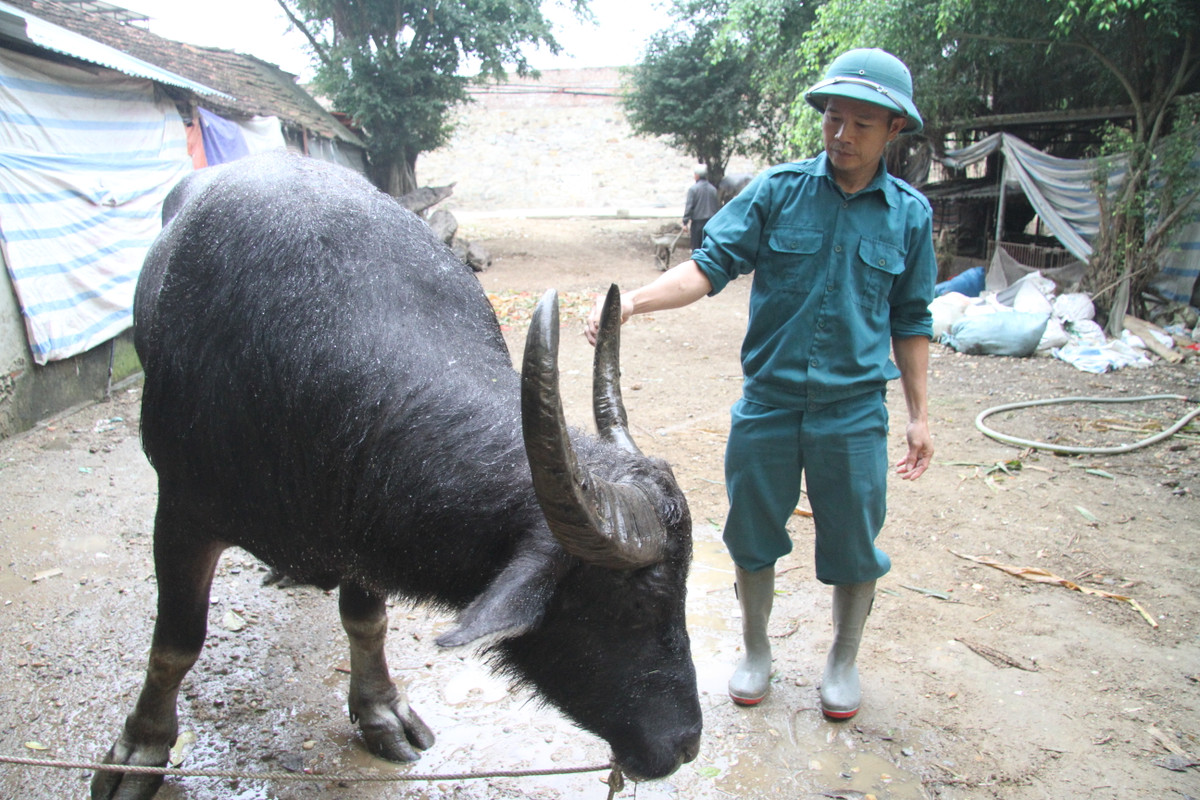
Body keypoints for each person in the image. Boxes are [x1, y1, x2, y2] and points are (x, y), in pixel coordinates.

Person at [585, 48, 935, 720]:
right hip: (768, 404)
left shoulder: (910, 216)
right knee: (751, 534)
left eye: (863, 123)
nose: (843, 134)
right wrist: (633, 302)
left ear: (894, 130)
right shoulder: (777, 192)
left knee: (856, 543)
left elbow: (912, 320)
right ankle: (755, 651)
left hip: (854, 411)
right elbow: (708, 266)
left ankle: (842, 661)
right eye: (834, 118)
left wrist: (921, 414)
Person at [682, 164, 720, 251]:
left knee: (696, 248)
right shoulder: (713, 189)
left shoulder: (693, 189)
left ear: (697, 175)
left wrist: (685, 222)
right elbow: (716, 206)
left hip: (697, 224)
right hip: (711, 224)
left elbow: (689, 207)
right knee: (708, 248)